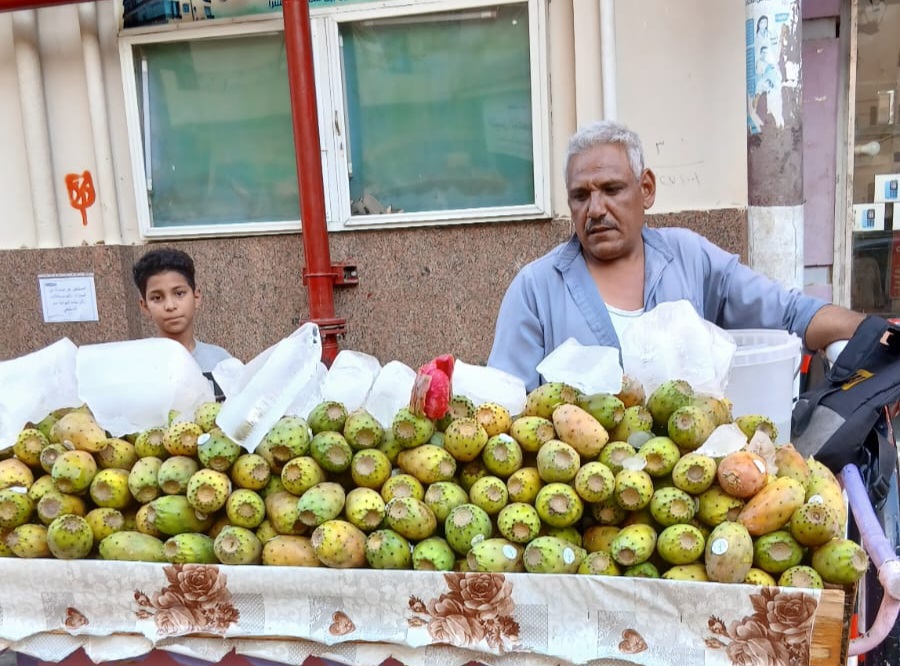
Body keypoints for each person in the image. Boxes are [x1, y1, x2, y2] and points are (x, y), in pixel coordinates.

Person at [487, 120, 866, 391]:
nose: (596, 208)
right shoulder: (535, 290)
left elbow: (790, 314)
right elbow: (506, 406)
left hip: (692, 493)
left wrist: (877, 334)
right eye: (581, 196)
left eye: (612, 189)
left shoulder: (688, 257)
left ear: (646, 189)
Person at [132, 248, 233, 398]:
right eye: (157, 298)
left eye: (179, 294)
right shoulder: (137, 368)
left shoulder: (221, 361)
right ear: (145, 306)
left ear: (196, 297)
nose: (170, 306)